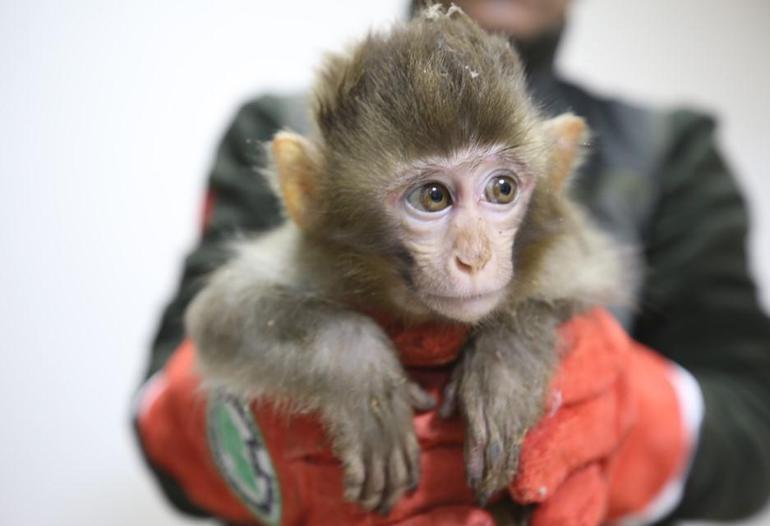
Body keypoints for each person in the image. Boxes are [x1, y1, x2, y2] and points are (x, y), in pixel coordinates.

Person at [134, 0, 770, 523]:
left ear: (558, 162)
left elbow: (756, 437)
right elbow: (172, 391)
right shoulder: (281, 123)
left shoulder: (668, 147)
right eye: (432, 195)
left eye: (500, 190)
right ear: (302, 188)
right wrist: (315, 369)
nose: (473, 252)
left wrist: (627, 414)